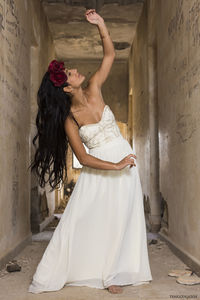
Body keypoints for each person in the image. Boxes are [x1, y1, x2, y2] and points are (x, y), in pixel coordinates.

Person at [28, 9, 153, 295]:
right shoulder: (69, 120)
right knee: (91, 221)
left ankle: (116, 272)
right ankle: (98, 272)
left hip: (125, 164)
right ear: (66, 85)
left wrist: (102, 25)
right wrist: (116, 165)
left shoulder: (95, 87)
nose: (75, 71)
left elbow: (109, 56)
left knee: (124, 217)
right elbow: (82, 159)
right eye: (70, 72)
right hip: (102, 170)